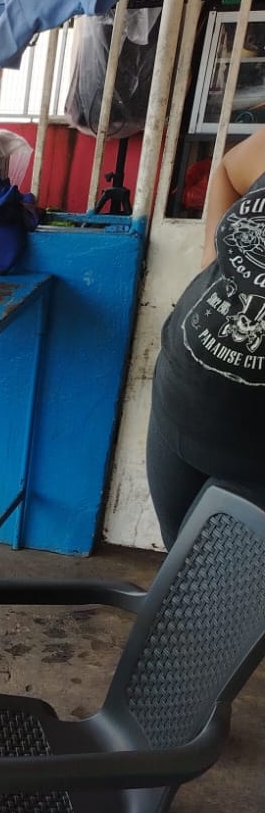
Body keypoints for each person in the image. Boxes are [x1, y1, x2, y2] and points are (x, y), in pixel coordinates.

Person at [148, 123, 265, 547]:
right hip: (181, 397)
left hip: (256, 455)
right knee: (175, 556)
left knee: (220, 582)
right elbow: (229, 170)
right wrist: (210, 259)